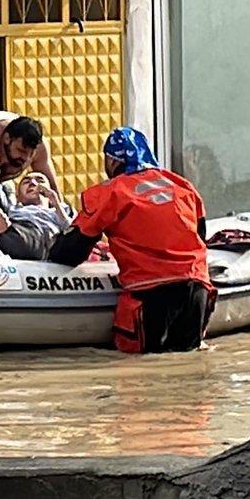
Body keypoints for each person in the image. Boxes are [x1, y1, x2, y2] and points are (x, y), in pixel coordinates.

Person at [49, 127, 213, 354]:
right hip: (197, 289)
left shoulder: (108, 193)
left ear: (111, 160)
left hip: (150, 293)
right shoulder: (182, 186)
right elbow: (199, 235)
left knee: (139, 375)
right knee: (187, 368)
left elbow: (69, 253)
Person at [0, 172, 74, 260]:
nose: (33, 183)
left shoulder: (62, 210)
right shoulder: (12, 209)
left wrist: (56, 203)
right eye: (26, 182)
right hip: (23, 236)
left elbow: (72, 233)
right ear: (18, 196)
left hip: (53, 246)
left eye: (40, 181)